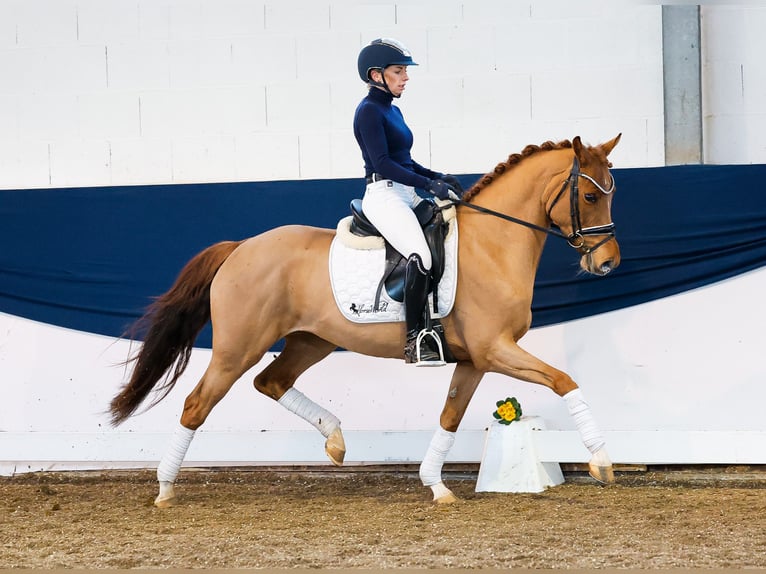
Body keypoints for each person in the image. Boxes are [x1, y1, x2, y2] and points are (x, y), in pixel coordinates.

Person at [354, 38, 462, 367]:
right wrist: (428, 184)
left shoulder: (393, 109)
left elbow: (407, 162)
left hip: (405, 189)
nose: (405, 77)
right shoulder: (368, 111)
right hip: (384, 195)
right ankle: (415, 338)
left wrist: (438, 176)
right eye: (398, 71)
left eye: (404, 71)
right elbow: (384, 163)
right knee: (422, 256)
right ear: (376, 75)